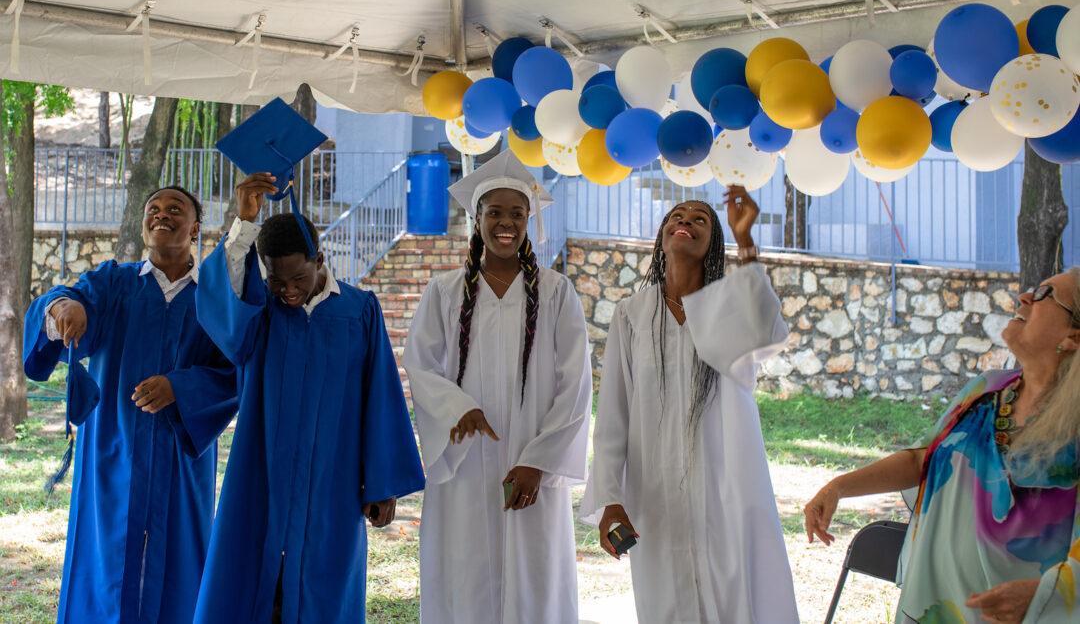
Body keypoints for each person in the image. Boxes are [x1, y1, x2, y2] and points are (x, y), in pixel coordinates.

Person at [192, 173, 425, 623]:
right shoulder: (261, 315)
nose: (288, 290)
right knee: (253, 583)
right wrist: (244, 223)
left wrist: (381, 484)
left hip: (333, 478)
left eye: (298, 276)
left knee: (323, 583)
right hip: (262, 471)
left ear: (320, 258)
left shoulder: (358, 310)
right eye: (277, 281)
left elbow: (380, 396)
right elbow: (224, 314)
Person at [804, 268, 1080, 624]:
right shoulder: (987, 390)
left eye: (1044, 295)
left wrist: (1043, 596)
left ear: (1073, 336)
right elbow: (923, 458)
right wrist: (838, 487)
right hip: (931, 610)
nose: (1025, 297)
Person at [581, 189, 799, 623]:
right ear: (662, 237)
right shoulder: (631, 315)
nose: (686, 221)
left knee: (738, 596)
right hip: (655, 492)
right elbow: (614, 416)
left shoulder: (728, 306)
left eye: (701, 219)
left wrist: (747, 241)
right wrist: (610, 499)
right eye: (677, 216)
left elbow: (770, 331)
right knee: (666, 603)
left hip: (726, 486)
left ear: (712, 243)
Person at [23, 186, 237, 624]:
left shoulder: (212, 299)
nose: (161, 215)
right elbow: (62, 299)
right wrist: (64, 307)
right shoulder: (114, 283)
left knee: (178, 557)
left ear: (196, 228)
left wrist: (181, 387)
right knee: (106, 558)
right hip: (112, 446)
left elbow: (233, 371)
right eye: (152, 209)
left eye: (174, 209)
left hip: (181, 454)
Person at [404, 150, 592, 623]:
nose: (505, 222)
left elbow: (576, 383)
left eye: (516, 213)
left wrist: (539, 461)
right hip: (466, 461)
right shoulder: (445, 291)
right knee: (465, 568)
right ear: (477, 218)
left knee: (534, 572)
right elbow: (420, 363)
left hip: (531, 465)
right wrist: (455, 407)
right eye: (494, 212)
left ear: (530, 220)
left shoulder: (554, 292)